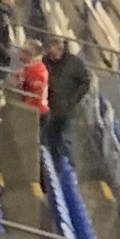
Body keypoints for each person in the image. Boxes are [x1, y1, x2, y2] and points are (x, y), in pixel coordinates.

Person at [43, 36, 91, 172]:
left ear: (61, 50)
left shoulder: (75, 63)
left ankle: (70, 170)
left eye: (54, 53)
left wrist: (73, 99)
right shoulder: (45, 61)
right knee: (52, 140)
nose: (52, 57)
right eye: (50, 54)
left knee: (65, 140)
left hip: (67, 109)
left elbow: (85, 82)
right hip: (50, 108)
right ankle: (55, 168)